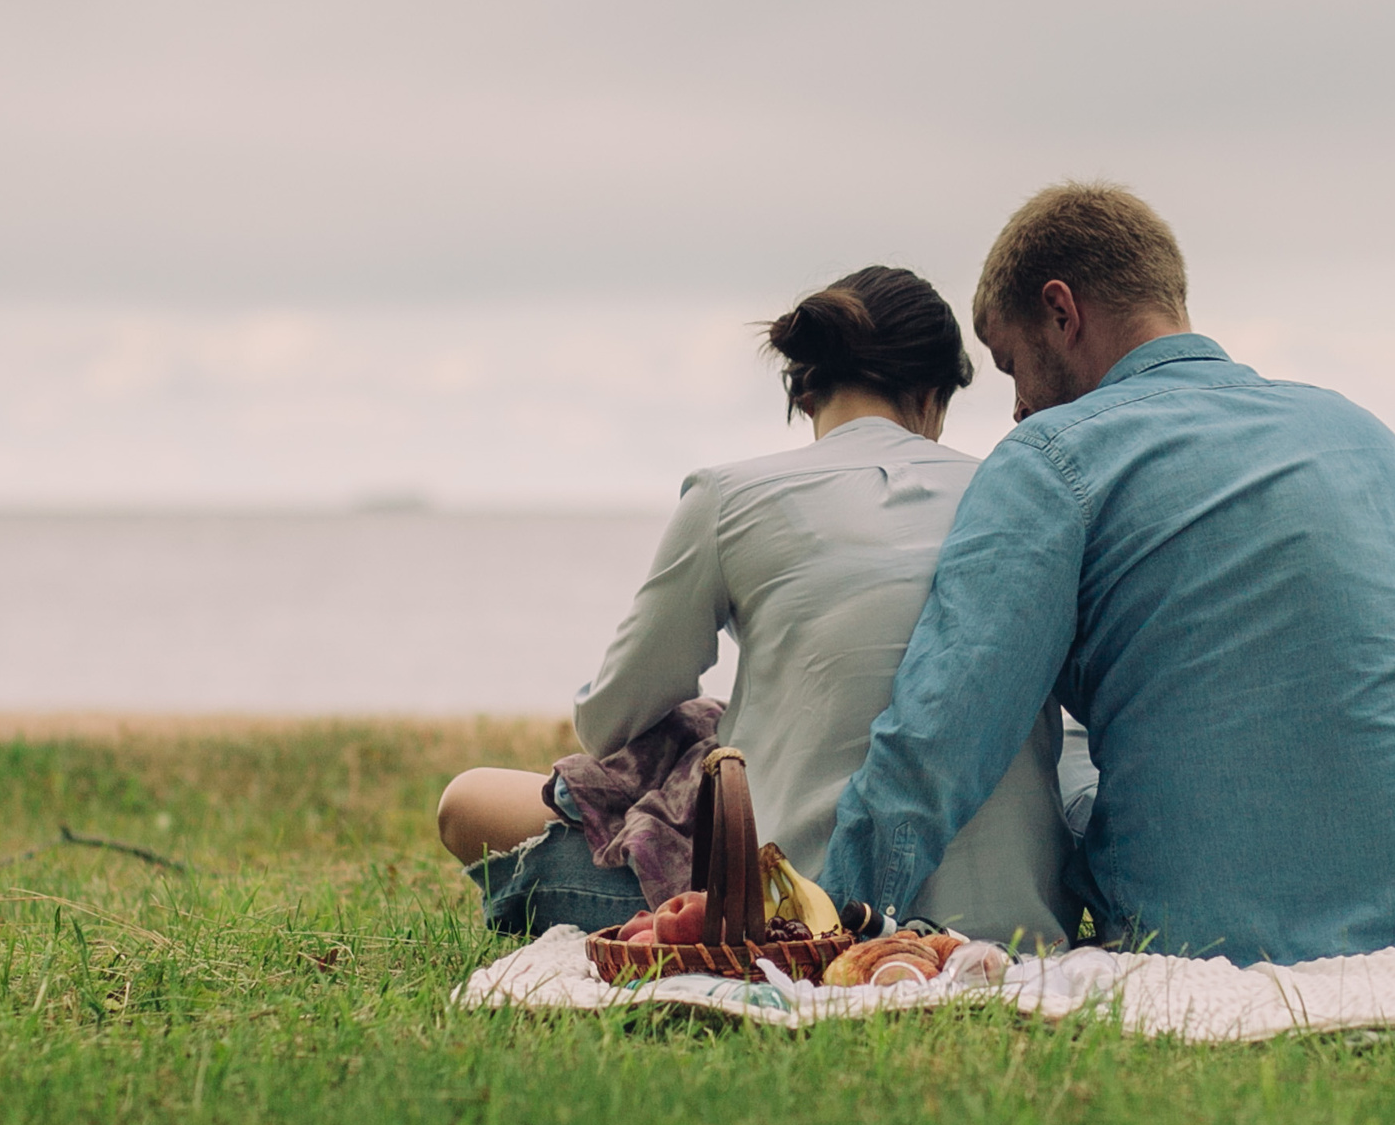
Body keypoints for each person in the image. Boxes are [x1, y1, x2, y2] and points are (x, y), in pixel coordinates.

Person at [820, 183, 1395, 964]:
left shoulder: (1048, 457)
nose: (1016, 405)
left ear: (1061, 311)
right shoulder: (1361, 434)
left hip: (1189, 922)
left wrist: (835, 917)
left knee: (1067, 746)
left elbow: (943, 729)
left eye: (1012, 366)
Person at [436, 266, 1077, 947]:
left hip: (796, 920)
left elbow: (610, 719)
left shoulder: (730, 496)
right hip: (1021, 922)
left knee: (469, 802)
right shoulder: (1022, 495)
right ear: (932, 397)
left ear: (804, 392)